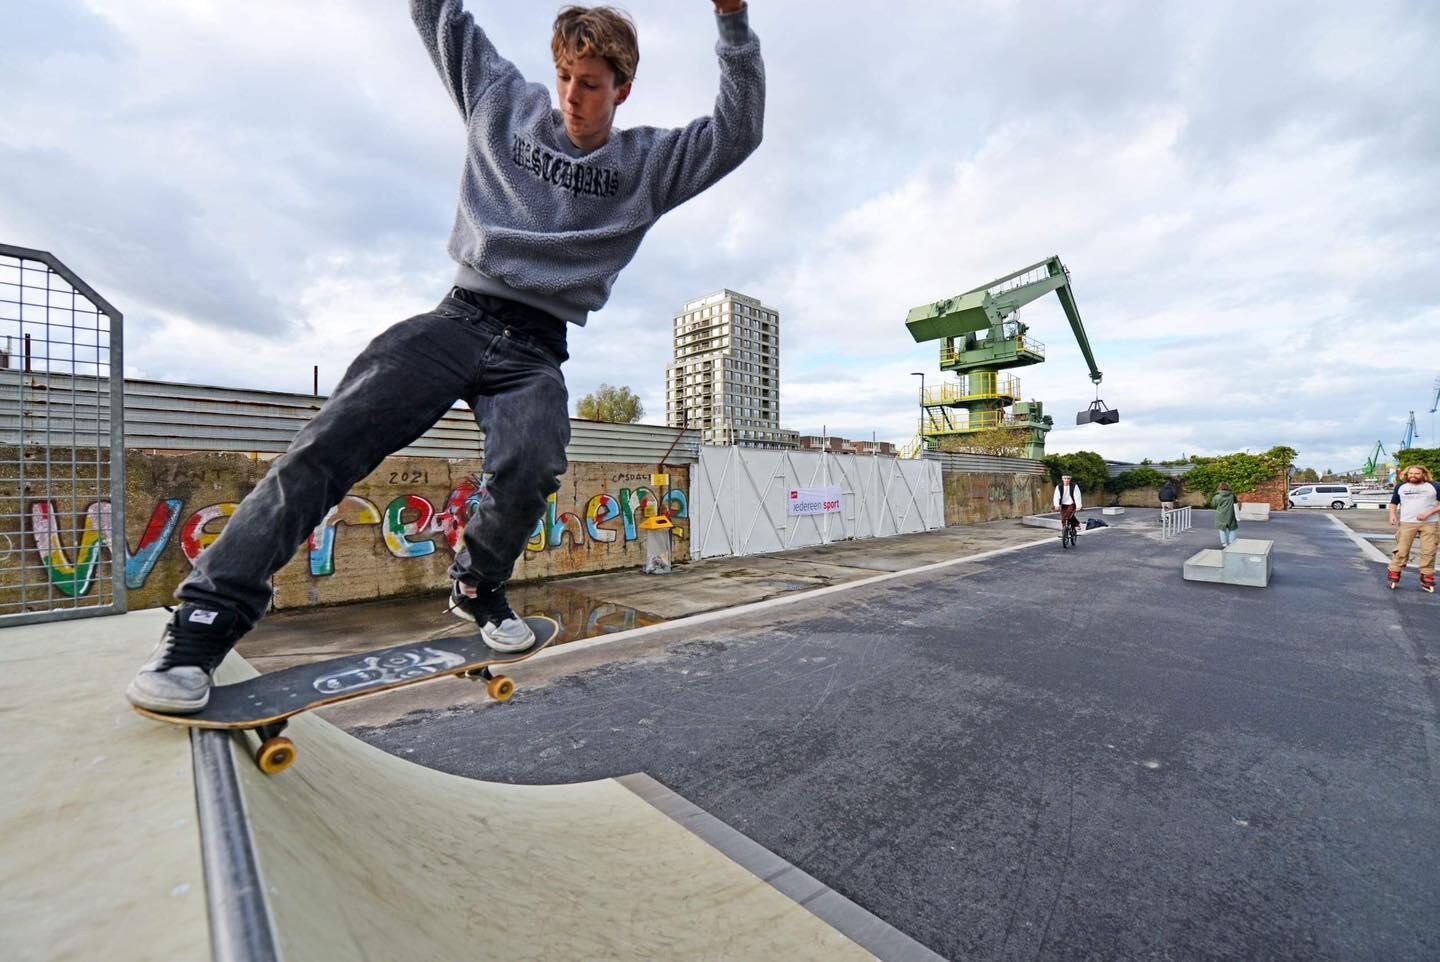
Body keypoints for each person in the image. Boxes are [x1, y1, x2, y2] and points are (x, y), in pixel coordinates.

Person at [127, 0, 766, 714]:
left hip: (535, 349)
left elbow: (738, 131)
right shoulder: (501, 99)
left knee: (533, 461)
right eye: (564, 78)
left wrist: (733, 21)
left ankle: (477, 587)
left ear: (623, 88)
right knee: (327, 444)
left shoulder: (648, 163)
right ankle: (201, 625)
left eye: (590, 83)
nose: (573, 98)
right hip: (458, 317)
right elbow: (436, 13)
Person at [1387, 464, 1440, 593]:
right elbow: (1394, 503)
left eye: (1416, 473)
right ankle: (1395, 571)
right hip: (1407, 523)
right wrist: (1393, 515)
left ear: (1423, 474)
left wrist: (1428, 513)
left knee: (1429, 550)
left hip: (1430, 523)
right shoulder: (1401, 487)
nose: (1413, 476)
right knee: (1402, 550)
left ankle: (1427, 575)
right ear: (1406, 474)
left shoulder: (1435, 486)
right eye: (1411, 473)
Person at [1211, 482, 1239, 547]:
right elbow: (1236, 502)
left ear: (1219, 488)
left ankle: (1224, 543)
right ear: (1228, 487)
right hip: (1230, 515)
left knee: (1222, 529)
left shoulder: (1217, 497)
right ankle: (1232, 542)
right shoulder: (1232, 496)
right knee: (1232, 529)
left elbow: (1213, 505)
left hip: (1220, 515)